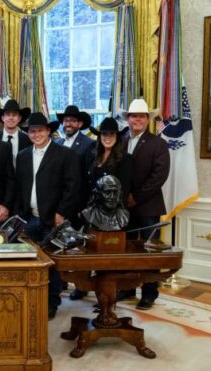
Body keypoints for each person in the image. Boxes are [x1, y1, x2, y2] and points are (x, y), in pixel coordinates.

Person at [15, 112, 80, 319]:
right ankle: (31, 300)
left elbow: (72, 187)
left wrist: (61, 213)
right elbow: (20, 187)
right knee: (29, 262)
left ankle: (51, 303)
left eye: (40, 130)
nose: (36, 134)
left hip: (53, 219)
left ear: (48, 131)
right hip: (30, 219)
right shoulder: (23, 155)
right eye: (32, 131)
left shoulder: (64, 154)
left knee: (52, 264)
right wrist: (21, 215)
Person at [71, 116, 133, 300]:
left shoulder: (125, 159)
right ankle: (82, 285)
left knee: (108, 254)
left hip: (112, 214)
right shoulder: (91, 155)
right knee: (87, 248)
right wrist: (81, 207)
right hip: (92, 211)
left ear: (117, 137)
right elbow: (84, 183)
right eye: (104, 134)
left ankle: (107, 292)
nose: (107, 137)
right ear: (99, 137)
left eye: (111, 134)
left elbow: (124, 189)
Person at [119, 98, 170, 310]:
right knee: (126, 249)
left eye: (141, 116)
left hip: (148, 206)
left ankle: (149, 293)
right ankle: (127, 288)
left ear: (148, 119)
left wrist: (137, 197)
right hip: (124, 208)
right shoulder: (120, 140)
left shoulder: (158, 143)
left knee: (150, 251)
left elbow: (159, 176)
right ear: (128, 119)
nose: (137, 120)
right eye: (134, 116)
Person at [56, 104, 96, 219]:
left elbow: (90, 178)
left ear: (80, 124)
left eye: (73, 121)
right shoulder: (57, 143)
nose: (68, 124)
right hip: (58, 203)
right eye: (66, 121)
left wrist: (84, 207)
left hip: (77, 204)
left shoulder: (89, 143)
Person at [0, 99, 32, 169]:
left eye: (14, 115)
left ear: (19, 118)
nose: (11, 117)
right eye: (8, 114)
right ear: (3, 118)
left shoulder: (28, 140)